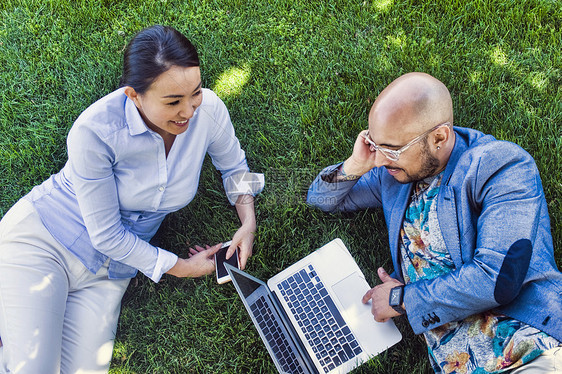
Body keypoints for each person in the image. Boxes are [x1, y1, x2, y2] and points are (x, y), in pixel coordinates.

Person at [0, 25, 263, 373]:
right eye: (173, 101)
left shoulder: (208, 110)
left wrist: (248, 222)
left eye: (195, 92)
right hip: (45, 243)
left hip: (111, 272)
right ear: (133, 95)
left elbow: (235, 168)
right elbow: (106, 234)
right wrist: (180, 267)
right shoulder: (94, 132)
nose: (189, 110)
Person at [307, 72, 561, 373]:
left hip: (530, 351)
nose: (379, 160)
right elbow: (321, 199)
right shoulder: (392, 174)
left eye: (391, 149)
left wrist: (402, 299)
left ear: (438, 137)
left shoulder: (500, 165)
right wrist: (355, 164)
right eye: (375, 145)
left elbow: (498, 279)